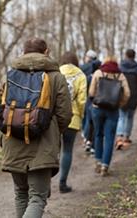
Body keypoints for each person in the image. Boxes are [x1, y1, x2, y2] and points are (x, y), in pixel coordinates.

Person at [0, 38, 72, 218]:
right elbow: (65, 115)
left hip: (13, 142)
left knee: (21, 193)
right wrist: (52, 131)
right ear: (46, 52)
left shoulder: (10, 75)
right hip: (43, 145)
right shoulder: (56, 77)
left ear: (23, 52)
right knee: (38, 198)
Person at [89, 56, 130, 176]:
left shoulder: (98, 73)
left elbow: (91, 92)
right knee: (110, 137)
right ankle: (105, 166)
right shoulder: (120, 75)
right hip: (112, 110)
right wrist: (120, 103)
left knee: (98, 134)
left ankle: (98, 161)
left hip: (98, 109)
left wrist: (94, 101)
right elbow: (127, 94)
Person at [58, 51, 87, 193]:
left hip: (55, 118)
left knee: (51, 150)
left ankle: (44, 183)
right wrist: (80, 115)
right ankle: (62, 183)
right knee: (67, 150)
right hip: (72, 117)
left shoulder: (56, 71)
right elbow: (82, 100)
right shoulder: (81, 75)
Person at [115, 49, 137, 150]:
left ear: (126, 55)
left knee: (121, 116)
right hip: (134, 95)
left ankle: (119, 138)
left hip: (122, 95)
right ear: (134, 56)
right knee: (130, 117)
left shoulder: (120, 67)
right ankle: (126, 138)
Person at [80, 50, 101, 154]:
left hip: (85, 96)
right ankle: (89, 141)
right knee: (91, 120)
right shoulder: (100, 71)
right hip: (96, 99)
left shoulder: (83, 68)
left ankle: (86, 137)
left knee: (86, 118)